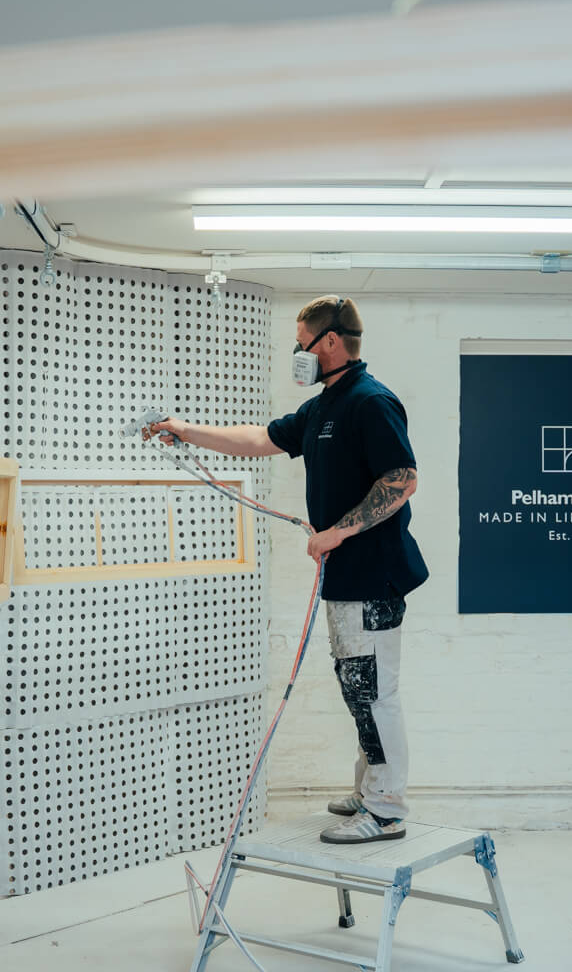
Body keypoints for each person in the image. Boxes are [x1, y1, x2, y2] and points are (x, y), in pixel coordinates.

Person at [141, 296, 427, 844]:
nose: (297, 353)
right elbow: (259, 439)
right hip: (347, 578)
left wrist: (337, 531)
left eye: (302, 344)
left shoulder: (370, 402)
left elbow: (402, 479)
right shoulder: (324, 407)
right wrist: (186, 430)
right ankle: (372, 790)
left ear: (330, 342)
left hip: (373, 576)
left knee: (372, 693)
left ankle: (386, 809)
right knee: (359, 688)